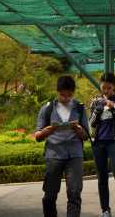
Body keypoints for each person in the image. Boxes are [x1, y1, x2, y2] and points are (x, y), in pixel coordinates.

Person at [35, 75, 91, 217]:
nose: (66, 98)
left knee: (74, 193)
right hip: (54, 154)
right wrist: (45, 132)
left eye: (69, 95)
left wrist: (78, 129)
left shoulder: (79, 108)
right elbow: (37, 136)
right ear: (57, 92)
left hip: (74, 155)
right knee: (49, 194)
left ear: (73, 93)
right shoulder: (47, 109)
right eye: (62, 95)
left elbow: (86, 136)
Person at [89, 73, 115, 217]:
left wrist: (113, 108)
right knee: (102, 178)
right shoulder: (96, 100)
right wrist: (98, 108)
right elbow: (91, 123)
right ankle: (105, 210)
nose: (105, 91)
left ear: (114, 86)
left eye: (108, 88)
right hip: (99, 143)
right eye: (103, 88)